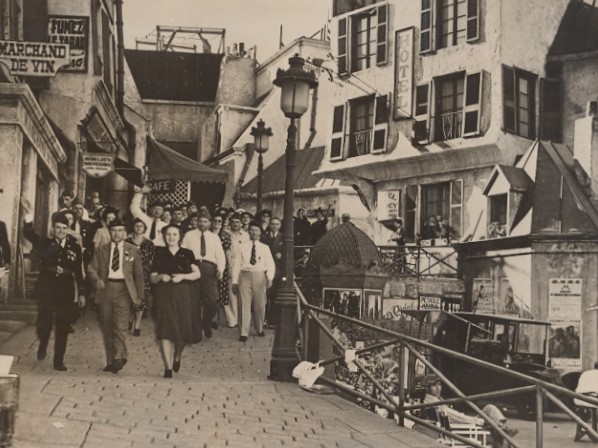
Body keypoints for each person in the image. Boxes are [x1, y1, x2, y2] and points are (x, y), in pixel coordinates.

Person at [23, 209, 85, 371]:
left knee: (63, 325)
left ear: (68, 229)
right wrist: (28, 215)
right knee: (44, 322)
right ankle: (43, 343)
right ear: (53, 229)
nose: (61, 231)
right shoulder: (45, 243)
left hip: (66, 288)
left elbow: (78, 271)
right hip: (47, 286)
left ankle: (59, 360)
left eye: (64, 228)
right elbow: (29, 234)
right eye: (58, 228)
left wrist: (82, 293)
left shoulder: (74, 247)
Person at [87, 218, 144, 374]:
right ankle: (110, 361)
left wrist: (140, 296)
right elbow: (91, 268)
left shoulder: (133, 250)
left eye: (120, 230)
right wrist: (96, 279)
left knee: (120, 325)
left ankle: (119, 356)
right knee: (107, 326)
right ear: (109, 232)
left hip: (124, 290)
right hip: (105, 289)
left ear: (125, 233)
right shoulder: (101, 250)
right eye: (113, 230)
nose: (117, 234)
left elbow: (139, 275)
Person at [151, 224, 201, 378]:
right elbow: (152, 277)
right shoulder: (158, 253)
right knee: (165, 328)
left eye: (174, 234)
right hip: (164, 294)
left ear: (179, 237)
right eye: (168, 234)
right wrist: (160, 277)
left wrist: (182, 276)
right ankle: (168, 367)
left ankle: (177, 355)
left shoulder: (187, 253)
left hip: (182, 294)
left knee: (182, 329)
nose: (171, 237)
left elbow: (197, 274)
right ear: (164, 236)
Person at [422, 374, 517, 447]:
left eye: (439, 385)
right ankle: (502, 432)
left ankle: (501, 430)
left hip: (462, 423)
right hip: (461, 426)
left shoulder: (436, 399)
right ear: (427, 388)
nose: (438, 388)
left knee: (490, 408)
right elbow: (456, 417)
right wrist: (477, 421)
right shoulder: (434, 403)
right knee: (491, 414)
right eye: (434, 386)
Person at [181, 210, 226, 338]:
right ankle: (195, 330)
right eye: (200, 221)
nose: (202, 223)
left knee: (212, 301)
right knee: (193, 300)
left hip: (209, 269)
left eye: (205, 221)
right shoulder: (189, 235)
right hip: (193, 267)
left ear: (210, 223)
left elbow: (220, 255)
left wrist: (220, 270)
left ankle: (206, 322)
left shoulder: (214, 237)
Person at [231, 221, 275, 342]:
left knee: (260, 305)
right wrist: (235, 281)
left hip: (259, 275)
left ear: (260, 232)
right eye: (251, 230)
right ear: (248, 232)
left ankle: (259, 328)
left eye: (256, 230)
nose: (254, 232)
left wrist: (270, 278)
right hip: (244, 275)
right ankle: (243, 332)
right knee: (244, 304)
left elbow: (270, 264)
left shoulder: (265, 248)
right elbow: (236, 265)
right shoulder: (242, 247)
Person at [125, 218, 156, 336]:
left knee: (141, 297)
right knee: (129, 296)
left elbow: (152, 259)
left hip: (144, 274)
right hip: (129, 273)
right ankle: (130, 317)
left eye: (141, 226)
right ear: (133, 227)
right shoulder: (127, 242)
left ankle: (137, 323)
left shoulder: (149, 243)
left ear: (144, 228)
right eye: (136, 226)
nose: (138, 228)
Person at [223, 213, 248, 328]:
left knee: (242, 292)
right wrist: (229, 266)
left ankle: (242, 318)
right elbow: (227, 252)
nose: (235, 224)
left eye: (237, 222)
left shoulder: (245, 235)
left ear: (241, 223)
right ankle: (232, 319)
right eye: (233, 222)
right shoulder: (226, 234)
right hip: (231, 264)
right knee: (231, 292)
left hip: (243, 265)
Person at [211, 212, 231, 330]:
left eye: (219, 221)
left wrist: (228, 267)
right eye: (215, 221)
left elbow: (227, 253)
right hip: (208, 265)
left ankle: (214, 319)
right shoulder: (207, 234)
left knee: (218, 293)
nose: (217, 223)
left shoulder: (225, 236)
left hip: (221, 266)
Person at [262, 217, 283, 328]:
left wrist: (282, 255)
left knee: (275, 295)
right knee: (265, 295)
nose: (274, 226)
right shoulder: (264, 237)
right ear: (269, 225)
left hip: (278, 269)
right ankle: (263, 318)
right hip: (265, 268)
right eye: (273, 224)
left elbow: (288, 253)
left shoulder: (283, 237)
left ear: (280, 225)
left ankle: (272, 320)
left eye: (277, 224)